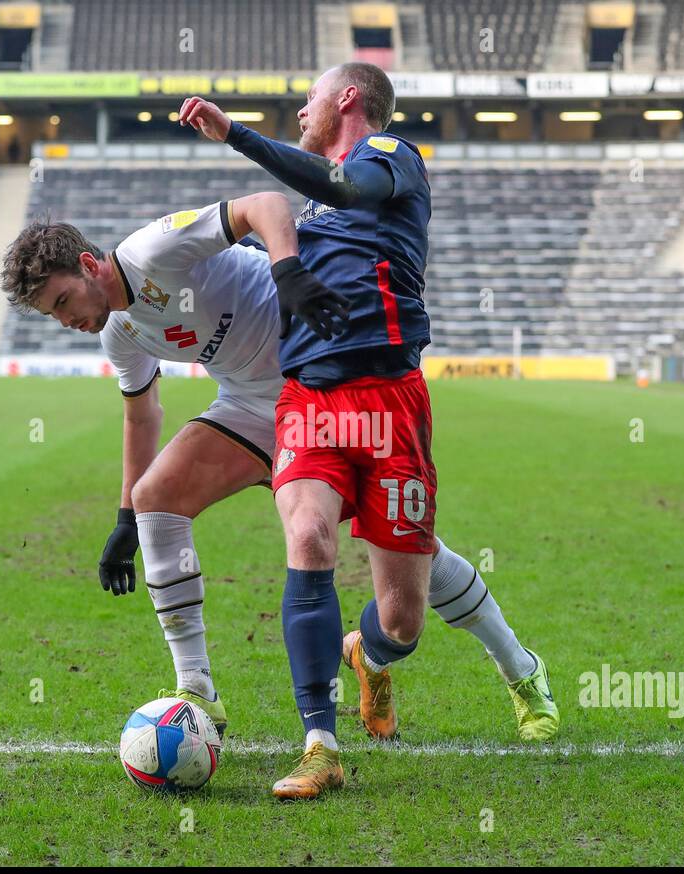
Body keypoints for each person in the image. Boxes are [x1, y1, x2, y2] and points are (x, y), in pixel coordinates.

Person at [0, 194, 553, 771]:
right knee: (153, 497)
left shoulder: (152, 249)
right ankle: (197, 692)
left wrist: (286, 270)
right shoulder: (121, 334)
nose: (65, 320)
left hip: (321, 389)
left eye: (63, 301)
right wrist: (122, 521)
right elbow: (143, 414)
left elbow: (263, 205)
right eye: (51, 315)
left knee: (409, 571)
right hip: (251, 409)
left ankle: (519, 667)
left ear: (89, 266)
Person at [179, 62, 558, 799]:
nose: (300, 113)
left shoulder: (390, 161)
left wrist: (238, 136)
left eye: (309, 100)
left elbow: (342, 185)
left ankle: (370, 654)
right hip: (311, 399)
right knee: (309, 537)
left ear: (348, 99)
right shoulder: (307, 221)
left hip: (392, 401)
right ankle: (319, 744)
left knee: (402, 621)